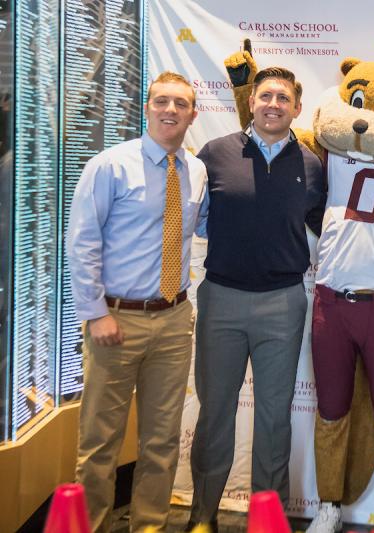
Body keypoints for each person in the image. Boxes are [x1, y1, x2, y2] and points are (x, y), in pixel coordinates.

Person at [187, 66, 325, 531]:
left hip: (283, 303)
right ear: (251, 101)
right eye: (266, 95)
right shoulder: (214, 154)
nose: (273, 104)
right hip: (221, 300)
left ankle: (268, 519)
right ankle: (202, 515)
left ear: (296, 108)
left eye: (283, 98)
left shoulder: (310, 164)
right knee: (214, 414)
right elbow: (197, 217)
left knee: (273, 419)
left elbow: (327, 227)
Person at [68, 71, 206, 532]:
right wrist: (95, 313)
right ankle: (90, 525)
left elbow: (202, 229)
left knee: (162, 439)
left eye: (180, 103)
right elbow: (83, 242)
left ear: (192, 113)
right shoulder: (110, 166)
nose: (170, 110)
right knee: (100, 441)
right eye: (161, 101)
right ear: (147, 107)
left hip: (174, 319)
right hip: (116, 321)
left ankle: (148, 524)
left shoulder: (197, 170)